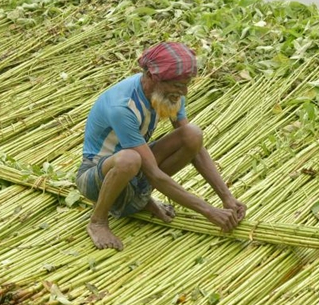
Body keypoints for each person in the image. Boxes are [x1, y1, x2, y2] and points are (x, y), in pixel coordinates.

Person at [77, 42, 247, 250]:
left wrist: (227, 198)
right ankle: (98, 221)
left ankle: (139, 200)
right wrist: (208, 211)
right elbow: (154, 174)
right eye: (177, 85)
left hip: (134, 171)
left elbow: (194, 148)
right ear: (151, 77)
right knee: (129, 158)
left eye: (186, 84)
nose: (183, 92)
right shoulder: (122, 107)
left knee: (192, 134)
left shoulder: (169, 94)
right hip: (97, 176)